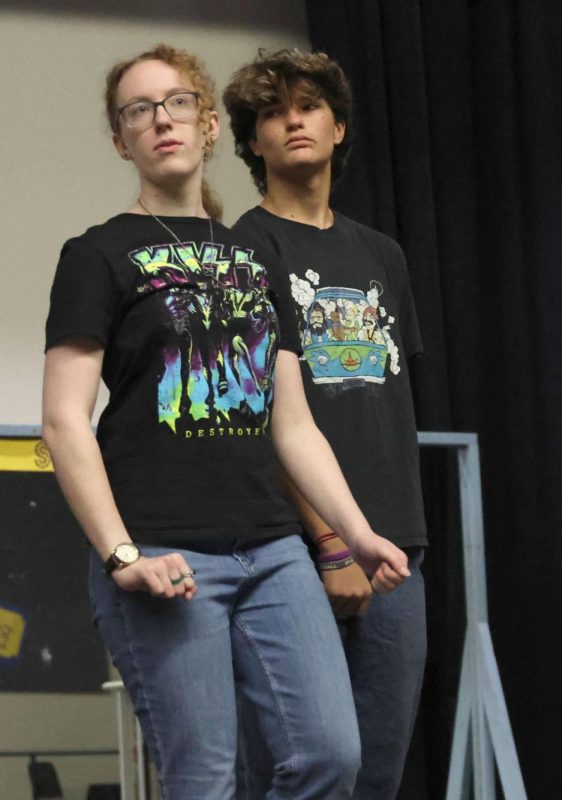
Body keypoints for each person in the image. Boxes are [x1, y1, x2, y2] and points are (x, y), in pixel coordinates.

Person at [40, 44, 409, 800]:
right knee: (204, 779)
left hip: (273, 550)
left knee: (332, 757)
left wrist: (357, 531)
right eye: (137, 111)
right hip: (164, 555)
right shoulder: (98, 254)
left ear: (208, 126)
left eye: (177, 103)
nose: (159, 120)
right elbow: (63, 422)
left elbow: (293, 425)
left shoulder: (254, 254)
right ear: (121, 141)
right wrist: (120, 555)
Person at [222, 49, 428, 799]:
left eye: (307, 107)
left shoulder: (384, 254)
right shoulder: (242, 248)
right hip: (288, 549)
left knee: (377, 769)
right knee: (289, 768)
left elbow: (387, 397)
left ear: (338, 128)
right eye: (272, 113)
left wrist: (381, 539)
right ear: (252, 143)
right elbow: (255, 418)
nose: (292, 121)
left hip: (397, 541)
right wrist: (332, 541)